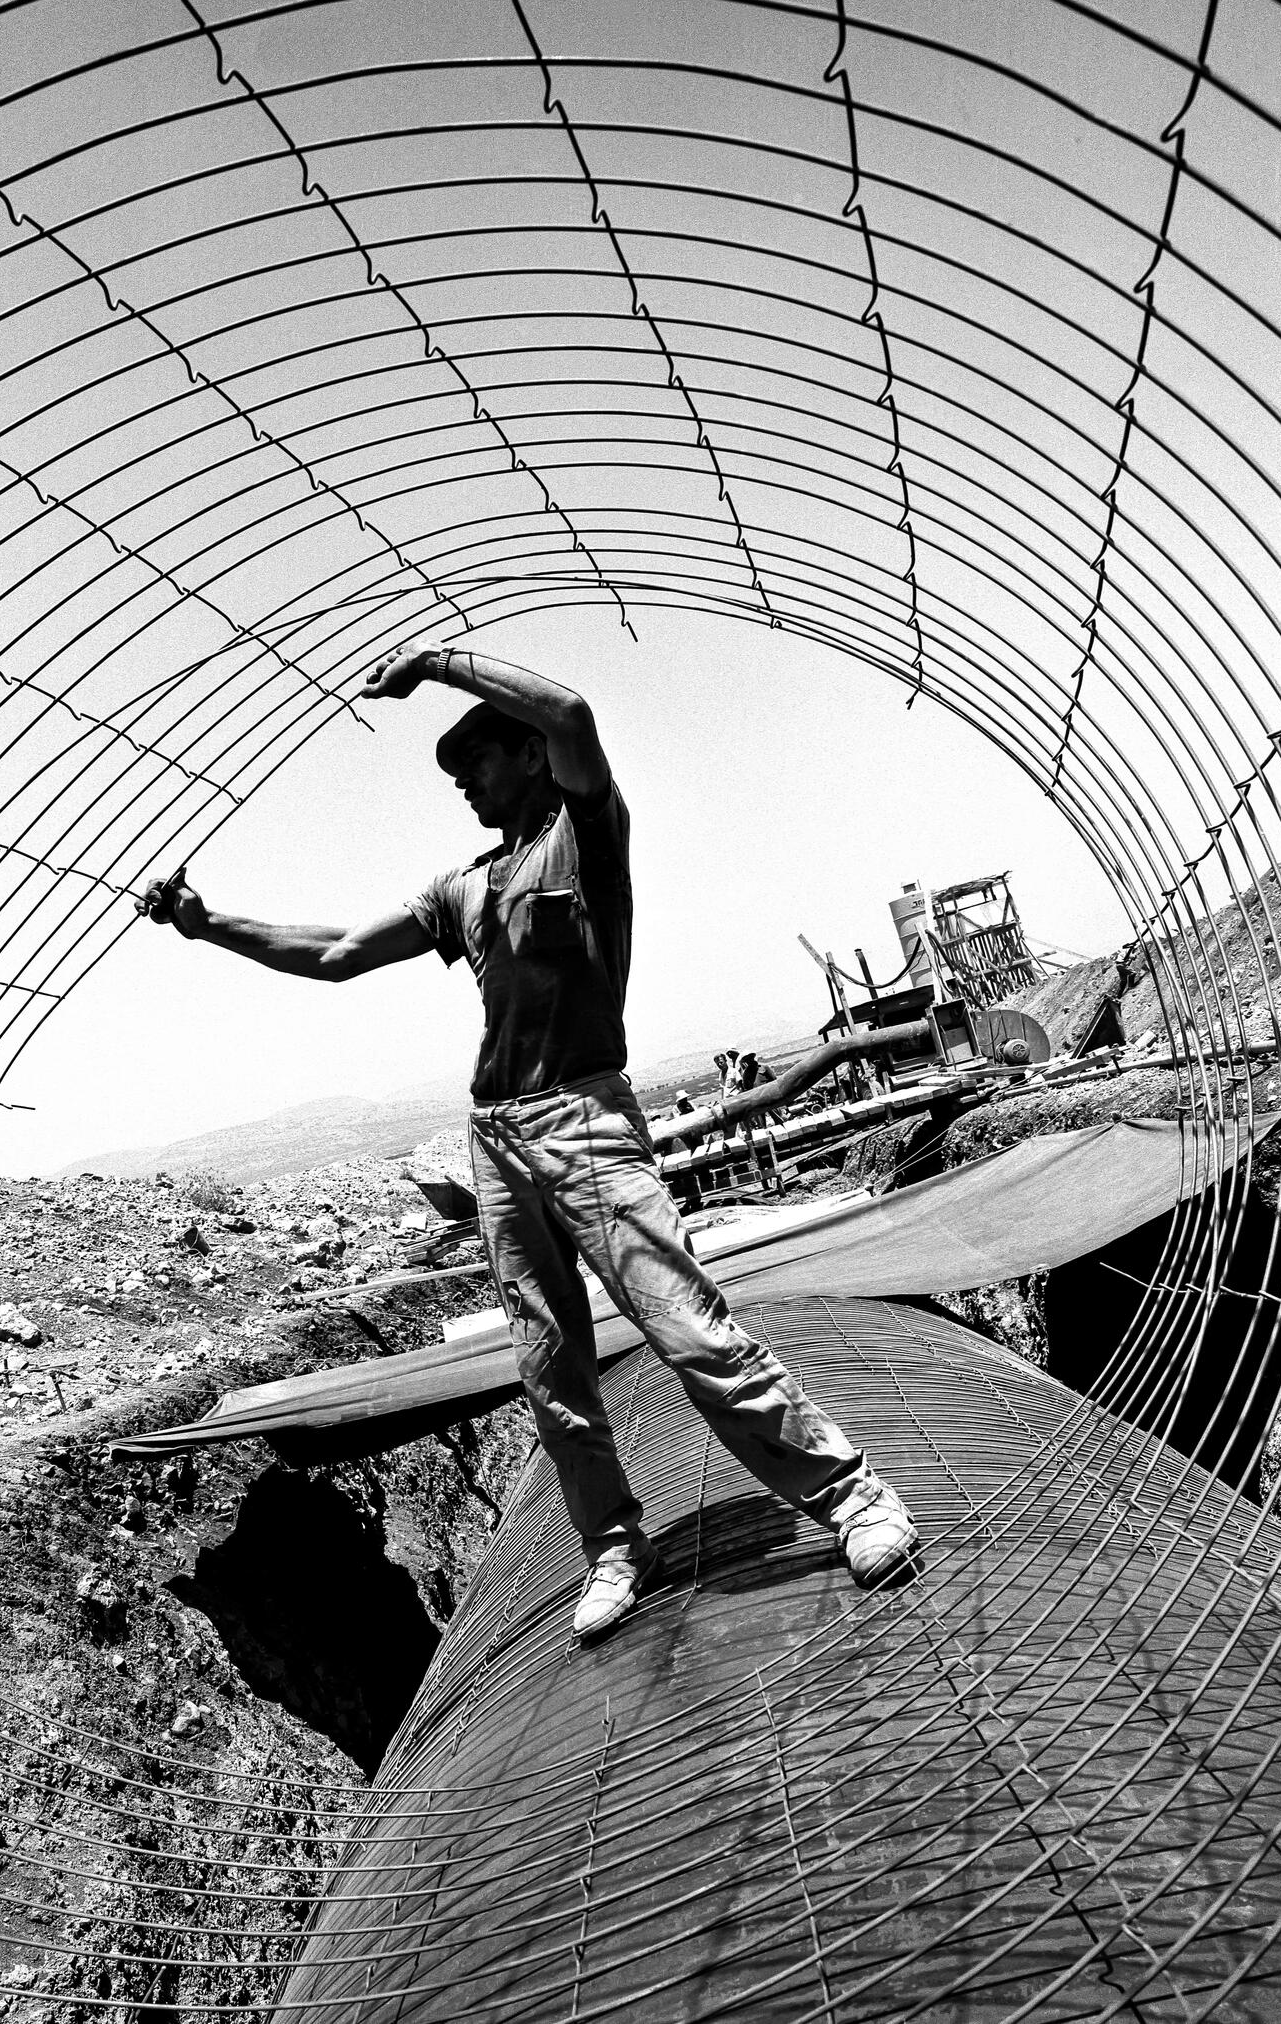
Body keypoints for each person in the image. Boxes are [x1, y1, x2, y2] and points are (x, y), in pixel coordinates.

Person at [138, 642, 918, 1641]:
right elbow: (333, 955)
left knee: (687, 1329)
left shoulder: (585, 833)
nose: (463, 782)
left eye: (479, 762)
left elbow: (576, 711)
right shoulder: (462, 889)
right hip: (499, 1144)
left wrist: (436, 661)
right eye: (456, 773)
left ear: (531, 757)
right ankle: (613, 1548)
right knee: (551, 1372)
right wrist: (208, 925)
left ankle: (852, 1500)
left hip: (586, 1124)